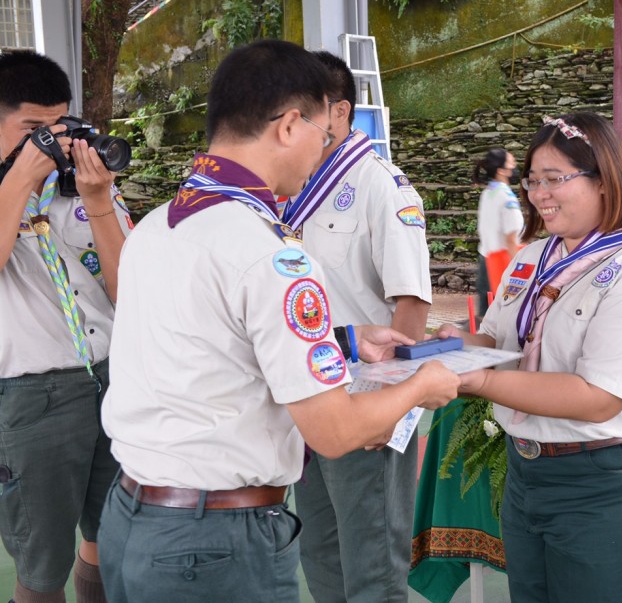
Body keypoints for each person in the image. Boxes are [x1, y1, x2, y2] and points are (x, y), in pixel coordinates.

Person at [97, 40, 460, 603]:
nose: (323, 149)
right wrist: (421, 387)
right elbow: (333, 431)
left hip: (133, 516)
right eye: (320, 133)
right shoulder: (270, 253)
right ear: (290, 125)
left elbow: (212, 347)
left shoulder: (156, 225)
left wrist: (344, 338)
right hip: (215, 545)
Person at [438, 112, 622, 602]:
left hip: (606, 483)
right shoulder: (531, 258)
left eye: (554, 179)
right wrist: (441, 348)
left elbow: (597, 399)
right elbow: (497, 342)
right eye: (532, 180)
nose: (538, 194)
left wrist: (477, 381)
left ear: (603, 181)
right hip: (527, 473)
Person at [287, 51, 432, 603]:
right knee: (320, 553)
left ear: (341, 112)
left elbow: (412, 306)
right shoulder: (295, 186)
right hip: (309, 399)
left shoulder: (382, 187)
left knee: (371, 567)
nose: (291, 123)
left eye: (304, 111)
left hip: (363, 406)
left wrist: (388, 409)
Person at [0, 51, 131, 603]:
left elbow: (129, 293)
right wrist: (21, 179)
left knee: (112, 537)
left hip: (110, 377)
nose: (48, 144)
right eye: (33, 129)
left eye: (58, 128)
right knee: (42, 560)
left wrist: (100, 201)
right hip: (34, 396)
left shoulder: (81, 187)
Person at [473, 148, 522, 316]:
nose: (515, 166)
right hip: (502, 263)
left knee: (485, 316)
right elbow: (511, 238)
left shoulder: (488, 193)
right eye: (511, 163)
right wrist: (518, 268)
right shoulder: (507, 198)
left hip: (485, 259)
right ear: (502, 170)